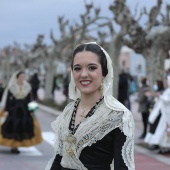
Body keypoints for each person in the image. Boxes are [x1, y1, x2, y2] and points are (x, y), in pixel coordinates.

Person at [45, 42, 135, 170]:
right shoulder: (68, 111)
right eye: (77, 68)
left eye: (92, 68)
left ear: (104, 72)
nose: (83, 74)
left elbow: (123, 167)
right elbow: (58, 160)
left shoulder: (119, 115)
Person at [0, 71, 42, 154]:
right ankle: (13, 145)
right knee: (12, 126)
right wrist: (7, 111)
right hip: (13, 109)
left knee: (23, 127)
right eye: (21, 77)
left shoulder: (27, 87)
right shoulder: (11, 87)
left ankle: (17, 146)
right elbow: (8, 100)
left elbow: (30, 100)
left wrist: (32, 111)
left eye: (23, 77)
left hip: (24, 110)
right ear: (17, 78)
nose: (22, 78)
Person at [144, 77, 170, 153]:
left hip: (167, 114)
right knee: (162, 131)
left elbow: (167, 100)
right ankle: (162, 145)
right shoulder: (167, 90)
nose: (165, 83)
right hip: (164, 113)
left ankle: (166, 146)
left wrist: (160, 96)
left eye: (166, 82)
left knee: (165, 131)